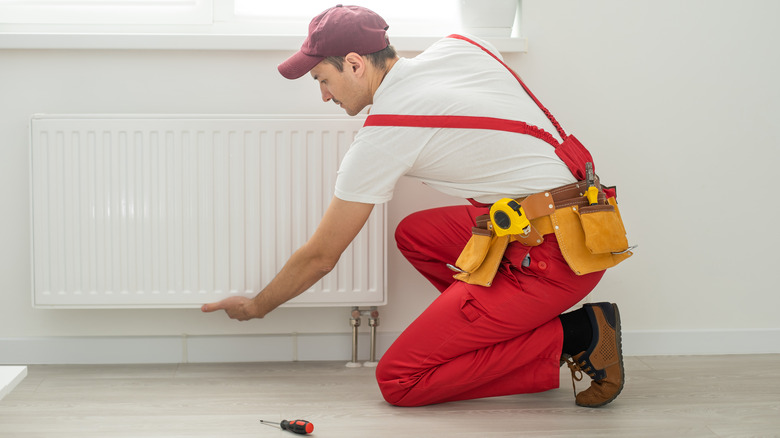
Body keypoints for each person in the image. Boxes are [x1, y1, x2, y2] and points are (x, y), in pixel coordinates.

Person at [201, 4, 625, 408]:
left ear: (354, 63)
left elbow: (321, 257)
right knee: (415, 235)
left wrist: (256, 307)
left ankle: (579, 334)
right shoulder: (462, 45)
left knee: (399, 381)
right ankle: (511, 334)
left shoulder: (385, 133)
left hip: (558, 258)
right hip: (583, 217)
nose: (324, 97)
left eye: (322, 80)